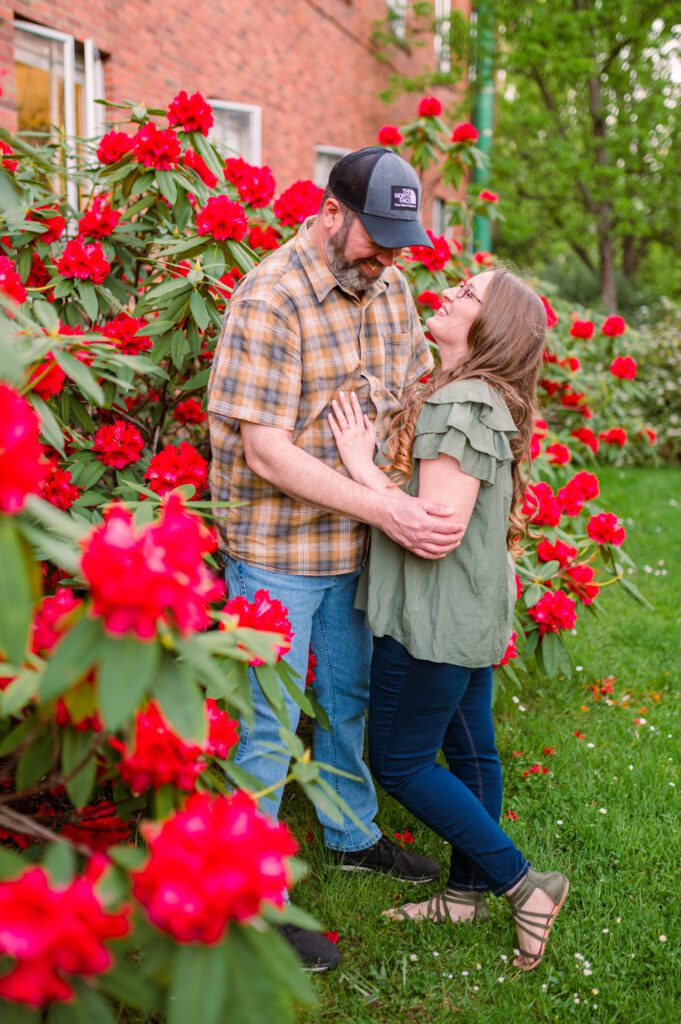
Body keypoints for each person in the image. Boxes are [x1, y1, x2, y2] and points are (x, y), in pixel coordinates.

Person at [207, 148, 466, 972]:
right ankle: (254, 902)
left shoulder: (387, 288)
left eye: (399, 240)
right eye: (374, 236)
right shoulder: (270, 298)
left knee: (349, 700)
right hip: (275, 550)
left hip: (354, 545)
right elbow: (268, 455)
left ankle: (351, 837)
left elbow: (412, 389)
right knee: (264, 726)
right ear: (328, 214)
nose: (388, 256)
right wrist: (387, 504)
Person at [328, 267, 569, 971]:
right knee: (470, 752)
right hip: (471, 608)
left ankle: (522, 884)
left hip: (435, 619)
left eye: (467, 294)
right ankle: (464, 895)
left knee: (399, 763)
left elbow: (434, 524)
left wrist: (355, 465)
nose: (449, 294)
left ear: (487, 327)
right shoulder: (482, 397)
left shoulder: (461, 403)